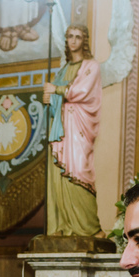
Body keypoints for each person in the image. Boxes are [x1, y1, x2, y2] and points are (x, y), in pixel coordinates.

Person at [43, 25, 102, 238]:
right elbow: (53, 105)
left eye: (78, 37)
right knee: (59, 173)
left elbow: (82, 92)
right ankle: (61, 226)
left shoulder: (91, 66)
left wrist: (56, 90)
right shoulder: (62, 70)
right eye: (70, 36)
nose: (74, 40)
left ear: (84, 40)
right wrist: (49, 100)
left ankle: (90, 228)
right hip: (60, 129)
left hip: (78, 128)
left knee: (78, 169)